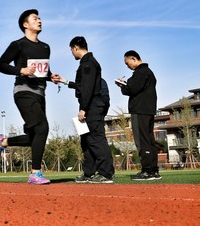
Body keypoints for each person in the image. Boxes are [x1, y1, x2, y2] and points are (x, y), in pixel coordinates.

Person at [0, 9, 61, 185]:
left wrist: (51, 76)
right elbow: (0, 65)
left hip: (40, 93)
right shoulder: (18, 45)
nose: (39, 20)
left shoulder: (45, 47)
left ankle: (3, 142)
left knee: (36, 136)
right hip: (23, 91)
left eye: (40, 18)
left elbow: (43, 71)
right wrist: (20, 70)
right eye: (35, 18)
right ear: (25, 24)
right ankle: (35, 173)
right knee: (42, 127)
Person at [58, 36, 115, 183]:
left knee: (96, 139)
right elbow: (82, 86)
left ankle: (106, 173)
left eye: (71, 50)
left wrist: (83, 109)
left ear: (76, 47)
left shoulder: (89, 63)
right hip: (88, 105)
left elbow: (88, 89)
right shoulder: (86, 63)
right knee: (86, 141)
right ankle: (89, 173)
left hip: (91, 107)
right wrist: (65, 82)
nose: (72, 53)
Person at [116, 50, 161, 180]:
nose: (127, 66)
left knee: (142, 141)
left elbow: (132, 89)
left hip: (140, 109)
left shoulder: (141, 72)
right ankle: (153, 170)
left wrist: (121, 85)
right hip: (148, 110)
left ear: (134, 59)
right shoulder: (149, 72)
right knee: (149, 140)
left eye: (127, 63)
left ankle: (147, 171)